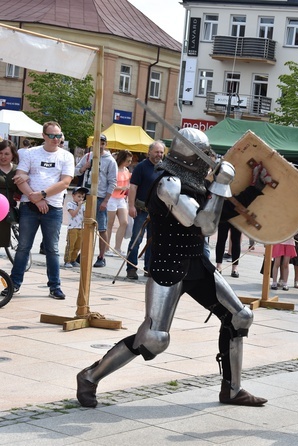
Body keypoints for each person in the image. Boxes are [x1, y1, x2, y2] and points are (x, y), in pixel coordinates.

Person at [76, 127, 268, 409]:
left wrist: (254, 189)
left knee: (239, 317)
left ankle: (233, 388)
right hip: (168, 266)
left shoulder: (195, 181)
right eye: (204, 153)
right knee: (153, 338)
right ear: (191, 156)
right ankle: (90, 376)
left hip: (196, 264)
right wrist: (220, 183)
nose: (209, 158)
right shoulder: (168, 185)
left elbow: (219, 214)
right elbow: (205, 224)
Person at [3, 121, 74, 299]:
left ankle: (54, 286)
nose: (55, 139)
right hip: (29, 206)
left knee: (52, 248)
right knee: (23, 247)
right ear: (43, 136)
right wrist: (34, 198)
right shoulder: (30, 153)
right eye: (52, 135)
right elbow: (19, 177)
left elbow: (65, 182)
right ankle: (14, 284)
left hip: (54, 207)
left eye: (58, 136)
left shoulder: (66, 156)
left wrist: (41, 195)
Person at [76, 134, 118, 268]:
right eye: (96, 143)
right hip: (86, 195)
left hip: (100, 197)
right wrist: (84, 167)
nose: (99, 145)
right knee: (86, 225)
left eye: (102, 143)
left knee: (101, 228)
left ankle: (101, 256)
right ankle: (83, 253)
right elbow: (76, 171)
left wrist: (106, 200)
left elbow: (112, 182)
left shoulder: (110, 161)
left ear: (105, 144)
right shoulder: (87, 157)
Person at [126, 141, 165, 279]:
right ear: (149, 152)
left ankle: (149, 268)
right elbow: (133, 187)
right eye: (156, 152)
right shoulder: (141, 167)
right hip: (141, 210)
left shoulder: (164, 168)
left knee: (153, 242)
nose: (159, 155)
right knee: (136, 240)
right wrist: (131, 206)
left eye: (161, 152)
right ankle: (131, 268)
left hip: (157, 212)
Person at [106, 150, 132, 257]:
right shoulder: (114, 169)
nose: (129, 163)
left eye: (130, 161)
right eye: (127, 161)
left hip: (121, 199)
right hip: (112, 198)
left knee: (124, 222)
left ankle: (117, 247)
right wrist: (122, 187)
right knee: (109, 224)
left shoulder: (126, 170)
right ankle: (106, 248)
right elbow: (110, 184)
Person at [0, 140, 19, 249]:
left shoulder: (17, 170)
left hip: (8, 208)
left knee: (3, 237)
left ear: (13, 155)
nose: (3, 157)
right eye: (0, 153)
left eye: (6, 154)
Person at [64, 187, 88, 268]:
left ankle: (73, 260)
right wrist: (79, 206)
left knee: (78, 245)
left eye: (82, 197)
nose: (81, 198)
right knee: (71, 245)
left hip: (81, 227)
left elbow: (85, 215)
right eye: (79, 196)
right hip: (72, 228)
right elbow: (73, 214)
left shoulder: (83, 205)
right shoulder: (70, 204)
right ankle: (67, 260)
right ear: (73, 195)